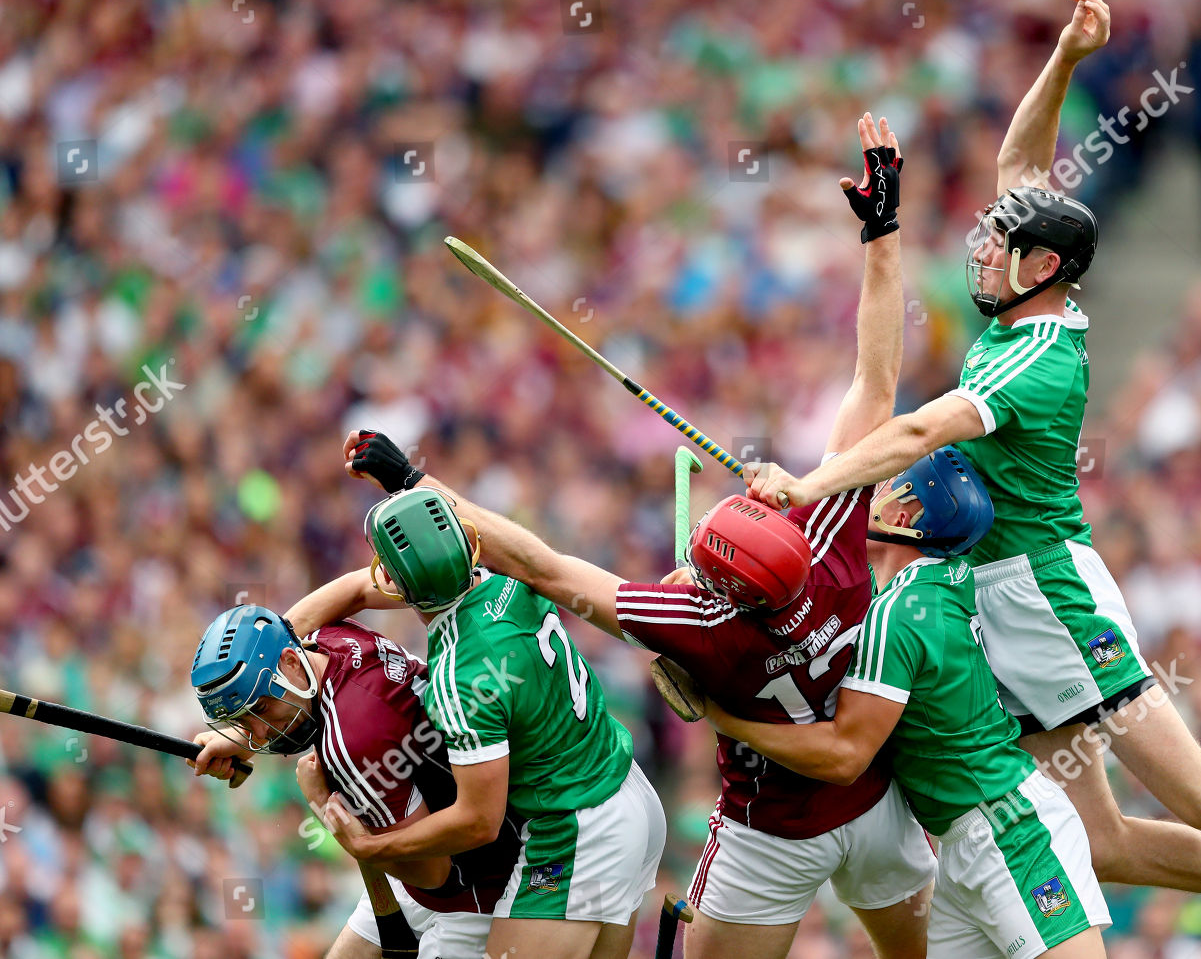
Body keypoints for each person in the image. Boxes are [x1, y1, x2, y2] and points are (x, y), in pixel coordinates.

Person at [739, 0, 1201, 959]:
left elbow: (915, 435)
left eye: (1000, 248)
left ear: (1044, 270)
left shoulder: (1039, 359)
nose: (982, 255)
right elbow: (1019, 163)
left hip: (1048, 598)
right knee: (1100, 843)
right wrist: (1070, 54)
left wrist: (805, 489)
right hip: (995, 603)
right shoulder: (1026, 302)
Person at [341, 113, 936, 959]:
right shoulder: (831, 528)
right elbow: (877, 377)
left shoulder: (695, 621)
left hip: (769, 829)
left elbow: (540, 564)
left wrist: (413, 488)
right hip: (877, 809)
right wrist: (883, 230)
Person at [707, 447, 1109, 959]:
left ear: (905, 515)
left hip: (1008, 833)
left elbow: (844, 756)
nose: (871, 489)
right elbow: (822, 587)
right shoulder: (935, 582)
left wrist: (724, 716)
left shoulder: (898, 613)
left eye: (887, 482)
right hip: (966, 839)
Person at [283, 489, 666, 959]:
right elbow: (358, 590)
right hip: (625, 789)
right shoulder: (507, 575)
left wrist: (372, 847)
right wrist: (261, 674)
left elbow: (478, 821)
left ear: (393, 582)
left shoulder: (458, 679)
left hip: (574, 829)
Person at [188, 594, 521, 959]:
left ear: (290, 663)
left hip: (472, 885)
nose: (261, 732)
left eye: (262, 709)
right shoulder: (330, 639)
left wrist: (322, 805)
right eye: (241, 719)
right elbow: (360, 585)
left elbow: (431, 874)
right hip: (426, 827)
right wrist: (241, 737)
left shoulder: (351, 741)